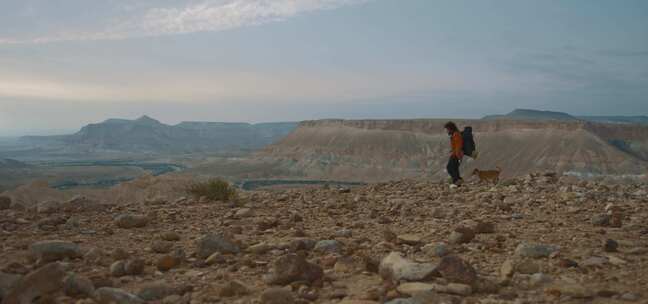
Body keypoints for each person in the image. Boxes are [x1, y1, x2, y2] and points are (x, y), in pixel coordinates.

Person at [444, 121, 463, 187]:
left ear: (450, 128)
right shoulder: (455, 134)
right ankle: (458, 183)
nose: (446, 131)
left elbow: (458, 146)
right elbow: (456, 145)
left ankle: (457, 181)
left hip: (456, 155)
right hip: (455, 154)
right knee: (454, 169)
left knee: (449, 168)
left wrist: (458, 156)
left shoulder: (456, 135)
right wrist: (452, 150)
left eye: (447, 129)